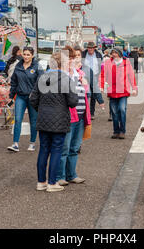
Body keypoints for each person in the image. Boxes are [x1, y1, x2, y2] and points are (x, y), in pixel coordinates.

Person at [30, 51, 79, 192]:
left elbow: (33, 99)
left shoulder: (42, 77)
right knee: (56, 150)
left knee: (44, 150)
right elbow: (73, 101)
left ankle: (41, 182)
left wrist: (42, 109)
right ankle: (52, 183)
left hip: (44, 118)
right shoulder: (65, 79)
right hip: (60, 119)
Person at [56, 46, 92, 186]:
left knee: (74, 148)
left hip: (81, 116)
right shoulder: (62, 75)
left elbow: (86, 93)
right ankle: (60, 176)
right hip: (69, 117)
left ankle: (72, 174)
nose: (74, 60)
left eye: (76, 57)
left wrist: (84, 83)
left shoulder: (79, 74)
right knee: (64, 148)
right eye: (71, 57)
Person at [7, 47, 43, 152]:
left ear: (32, 55)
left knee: (33, 121)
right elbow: (14, 82)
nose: (26, 56)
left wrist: (37, 95)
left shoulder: (37, 66)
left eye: (28, 55)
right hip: (20, 97)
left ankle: (32, 143)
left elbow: (41, 81)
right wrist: (11, 96)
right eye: (25, 54)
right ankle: (15, 144)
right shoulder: (18, 66)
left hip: (33, 98)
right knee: (17, 119)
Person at [100, 47, 137, 139]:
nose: (113, 55)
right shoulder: (108, 62)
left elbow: (131, 75)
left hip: (123, 91)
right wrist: (101, 85)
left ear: (119, 54)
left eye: (115, 53)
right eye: (112, 53)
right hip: (112, 91)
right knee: (114, 113)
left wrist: (134, 88)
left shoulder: (126, 62)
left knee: (122, 110)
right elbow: (103, 75)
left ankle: (122, 131)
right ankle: (116, 131)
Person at [82, 42, 105, 120]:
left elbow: (100, 66)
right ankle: (85, 112)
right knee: (87, 93)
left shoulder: (98, 55)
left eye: (91, 48)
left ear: (94, 48)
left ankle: (91, 113)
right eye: (89, 48)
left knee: (93, 96)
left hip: (95, 75)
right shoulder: (83, 54)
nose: (90, 49)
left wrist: (99, 75)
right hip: (84, 76)